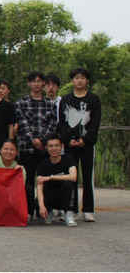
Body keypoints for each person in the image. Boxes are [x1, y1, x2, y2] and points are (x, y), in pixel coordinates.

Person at [59, 67, 101, 222]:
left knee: (88, 176)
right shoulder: (66, 100)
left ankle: (88, 209)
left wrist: (86, 139)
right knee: (71, 177)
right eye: (76, 78)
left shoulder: (93, 99)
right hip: (70, 144)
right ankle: (72, 209)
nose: (79, 80)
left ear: (87, 81)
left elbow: (95, 122)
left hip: (87, 144)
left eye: (83, 78)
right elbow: (62, 122)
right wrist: (67, 139)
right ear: (72, 80)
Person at [15, 71, 58, 219]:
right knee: (27, 180)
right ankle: (28, 211)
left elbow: (52, 125)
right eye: (33, 81)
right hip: (27, 148)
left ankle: (44, 210)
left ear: (43, 83)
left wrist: (43, 141)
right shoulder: (21, 103)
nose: (36, 84)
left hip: (45, 149)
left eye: (39, 81)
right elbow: (22, 124)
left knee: (45, 180)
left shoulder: (50, 104)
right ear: (29, 83)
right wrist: (34, 140)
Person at [36, 133, 78, 226]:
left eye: (56, 145)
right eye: (51, 146)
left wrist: (50, 177)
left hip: (64, 195)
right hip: (51, 196)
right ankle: (49, 211)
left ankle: (69, 213)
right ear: (46, 147)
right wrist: (41, 206)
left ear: (61, 147)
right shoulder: (42, 165)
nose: (54, 148)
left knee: (68, 184)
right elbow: (39, 185)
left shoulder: (68, 158)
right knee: (37, 202)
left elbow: (73, 177)